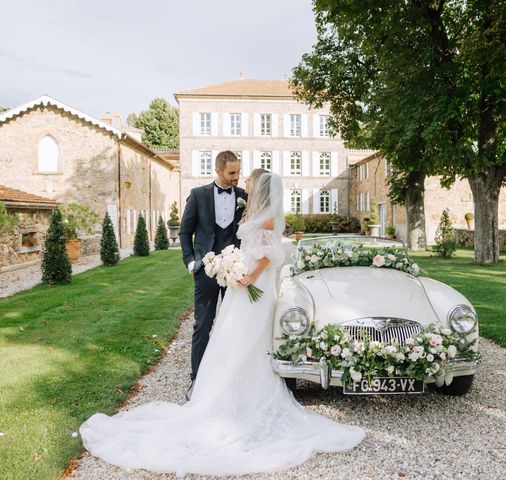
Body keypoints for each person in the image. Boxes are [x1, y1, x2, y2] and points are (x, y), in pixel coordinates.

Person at [79, 172, 365, 477]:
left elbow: (272, 254)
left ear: (261, 187)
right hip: (243, 281)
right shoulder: (253, 210)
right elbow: (251, 247)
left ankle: (244, 397)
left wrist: (249, 274)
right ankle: (229, 393)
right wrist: (231, 265)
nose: (247, 184)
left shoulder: (267, 215)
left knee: (249, 338)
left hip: (257, 283)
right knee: (232, 336)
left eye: (251, 182)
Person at [178, 151, 248, 400]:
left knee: (235, 326)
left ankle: (231, 380)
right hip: (206, 271)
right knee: (202, 325)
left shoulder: (243, 196)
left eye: (238, 172)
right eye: (232, 173)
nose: (236, 177)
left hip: (235, 272)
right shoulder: (198, 195)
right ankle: (197, 380)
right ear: (218, 171)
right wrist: (190, 262)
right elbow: (185, 232)